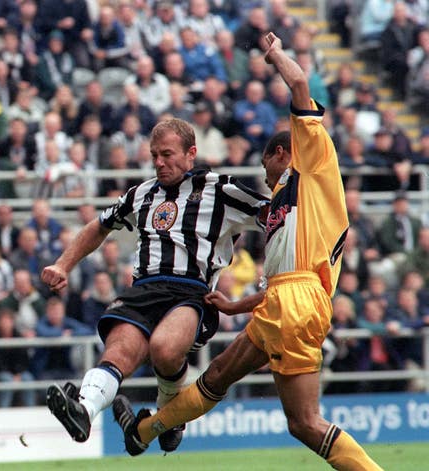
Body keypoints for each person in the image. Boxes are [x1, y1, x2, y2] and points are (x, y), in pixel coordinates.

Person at [112, 32, 383, 471]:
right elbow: (284, 275)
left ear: (282, 153)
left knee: (306, 423)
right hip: (283, 299)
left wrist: (274, 54)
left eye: (266, 163)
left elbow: (300, 88)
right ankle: (142, 432)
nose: (264, 171)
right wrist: (237, 307)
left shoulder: (311, 164)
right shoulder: (284, 204)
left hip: (297, 301)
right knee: (218, 376)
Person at [41, 116, 268, 447]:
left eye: (167, 154)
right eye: (154, 156)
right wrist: (63, 265)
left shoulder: (220, 189)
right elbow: (99, 226)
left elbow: (275, 218)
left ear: (191, 153)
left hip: (190, 293)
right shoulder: (141, 194)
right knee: (119, 349)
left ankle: (167, 416)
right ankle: (84, 411)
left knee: (164, 348)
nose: (159, 163)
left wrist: (276, 275)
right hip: (144, 289)